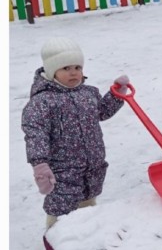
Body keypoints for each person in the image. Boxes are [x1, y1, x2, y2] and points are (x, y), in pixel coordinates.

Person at [21, 37, 129, 228]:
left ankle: (87, 235)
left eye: (77, 67)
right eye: (66, 68)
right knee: (61, 208)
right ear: (52, 71)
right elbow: (36, 134)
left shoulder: (88, 93)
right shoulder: (42, 102)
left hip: (92, 165)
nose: (73, 72)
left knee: (88, 203)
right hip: (62, 170)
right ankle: (54, 237)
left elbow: (102, 112)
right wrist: (40, 165)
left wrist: (116, 94)